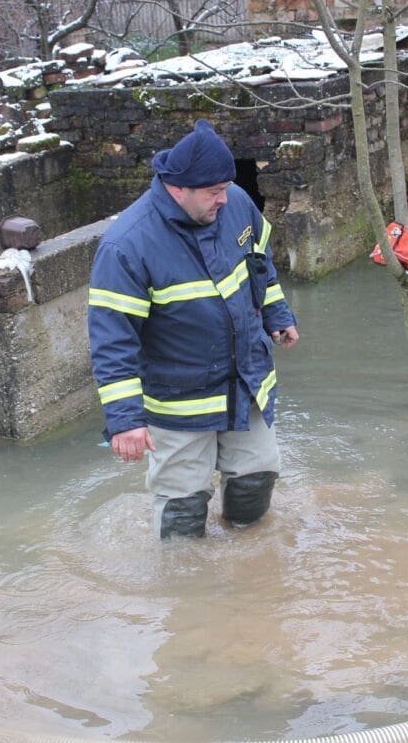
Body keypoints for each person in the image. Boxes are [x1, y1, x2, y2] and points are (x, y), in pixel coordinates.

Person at [87, 119, 300, 539]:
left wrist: (277, 313)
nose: (225, 199)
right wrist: (125, 420)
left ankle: (249, 560)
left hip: (244, 381)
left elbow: (260, 262)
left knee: (257, 475)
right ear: (177, 188)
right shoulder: (126, 246)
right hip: (178, 399)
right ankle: (186, 589)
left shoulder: (236, 202)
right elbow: (113, 341)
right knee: (183, 504)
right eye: (213, 193)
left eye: (226, 188)